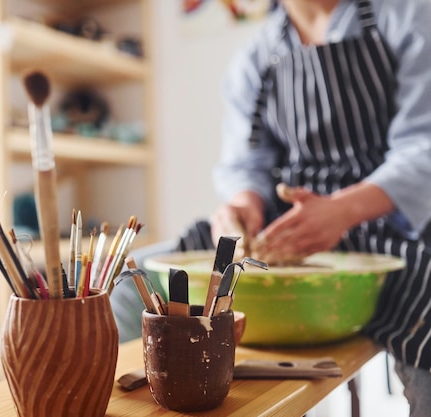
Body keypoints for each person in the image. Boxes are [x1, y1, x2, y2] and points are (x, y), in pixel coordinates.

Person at [177, 0, 431, 415]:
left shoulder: (407, 13)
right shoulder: (257, 54)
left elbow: (424, 143)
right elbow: (246, 163)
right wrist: (243, 205)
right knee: (150, 284)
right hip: (289, 228)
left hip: (394, 227)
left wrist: (344, 210)